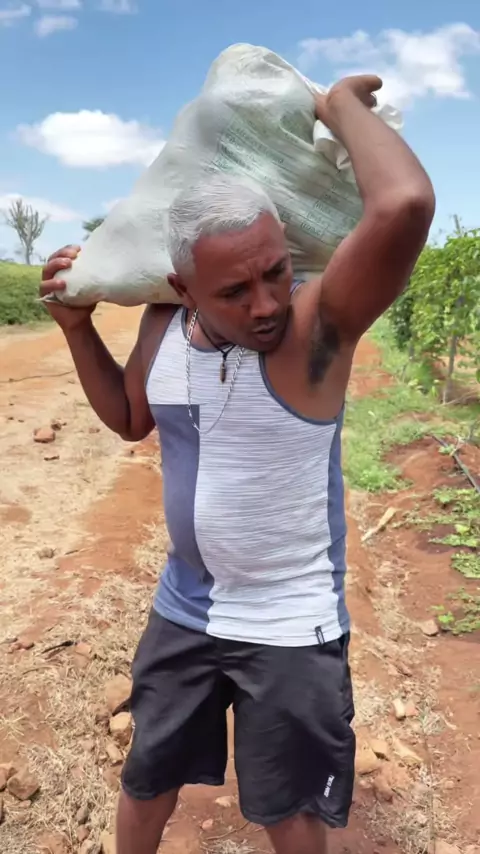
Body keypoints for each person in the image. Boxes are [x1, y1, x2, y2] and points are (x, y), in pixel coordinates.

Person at [40, 75, 435, 854]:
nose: (265, 304)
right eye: (234, 289)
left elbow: (403, 205)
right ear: (182, 288)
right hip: (183, 608)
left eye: (275, 271)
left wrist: (338, 104)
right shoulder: (163, 324)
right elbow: (131, 418)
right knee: (147, 778)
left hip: (291, 623)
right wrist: (77, 330)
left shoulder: (316, 329)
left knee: (289, 811)